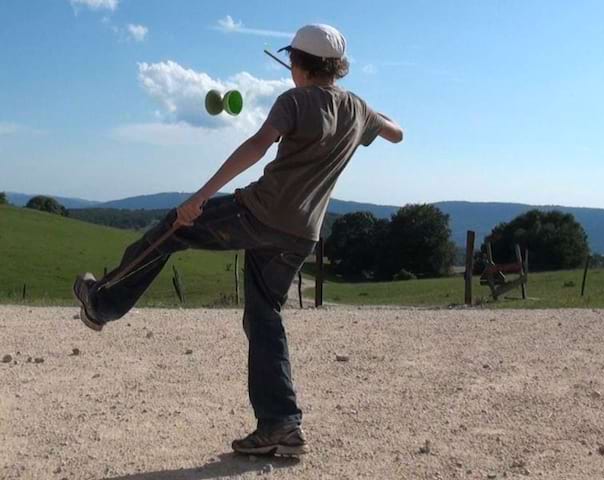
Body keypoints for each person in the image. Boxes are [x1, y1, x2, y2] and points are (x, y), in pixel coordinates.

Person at [73, 23, 403, 456]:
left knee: (174, 229)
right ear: (337, 68)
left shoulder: (295, 100)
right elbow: (398, 133)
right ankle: (280, 425)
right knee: (264, 316)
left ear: (296, 63)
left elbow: (258, 145)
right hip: (302, 235)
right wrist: (363, 112)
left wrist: (200, 197)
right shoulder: (357, 109)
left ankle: (102, 302)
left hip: (257, 214)